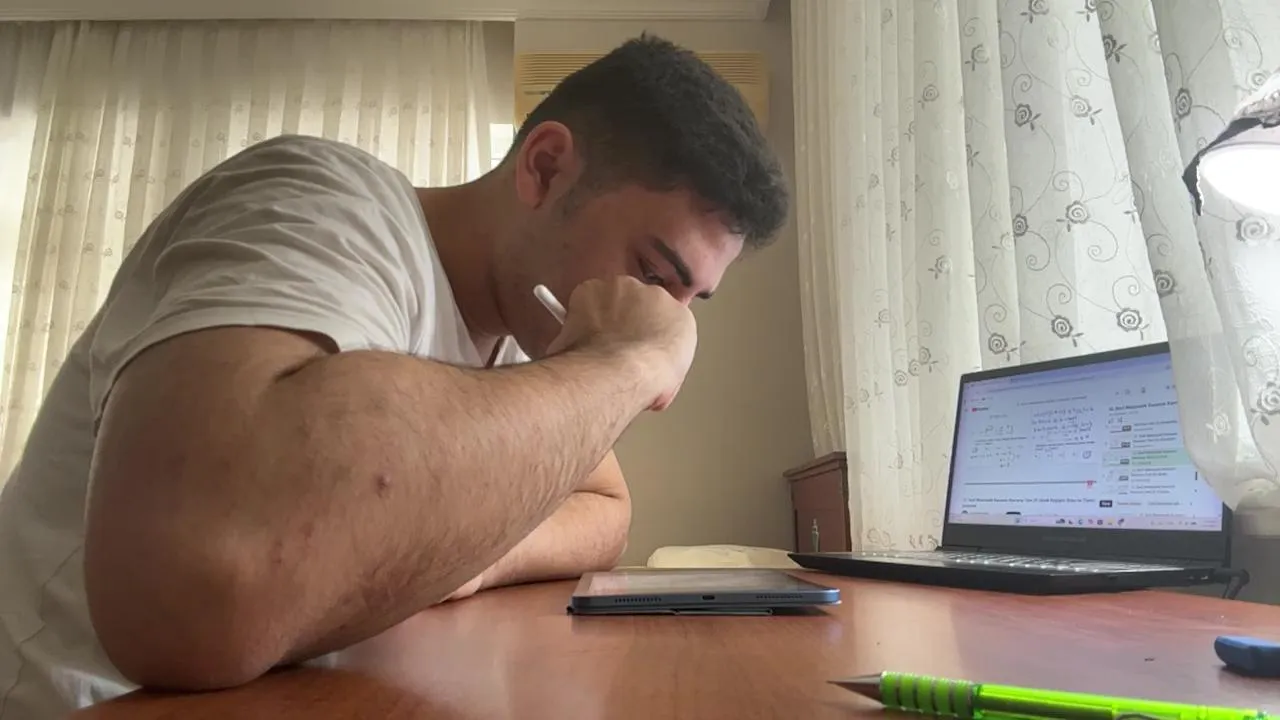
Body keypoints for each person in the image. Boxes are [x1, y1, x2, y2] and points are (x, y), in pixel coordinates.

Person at [0, 33, 787, 718]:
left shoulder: (525, 346)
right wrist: (629, 361)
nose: (665, 321)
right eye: (653, 274)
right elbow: (192, 595)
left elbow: (608, 510)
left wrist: (464, 553)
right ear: (545, 168)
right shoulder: (318, 205)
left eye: (690, 303)